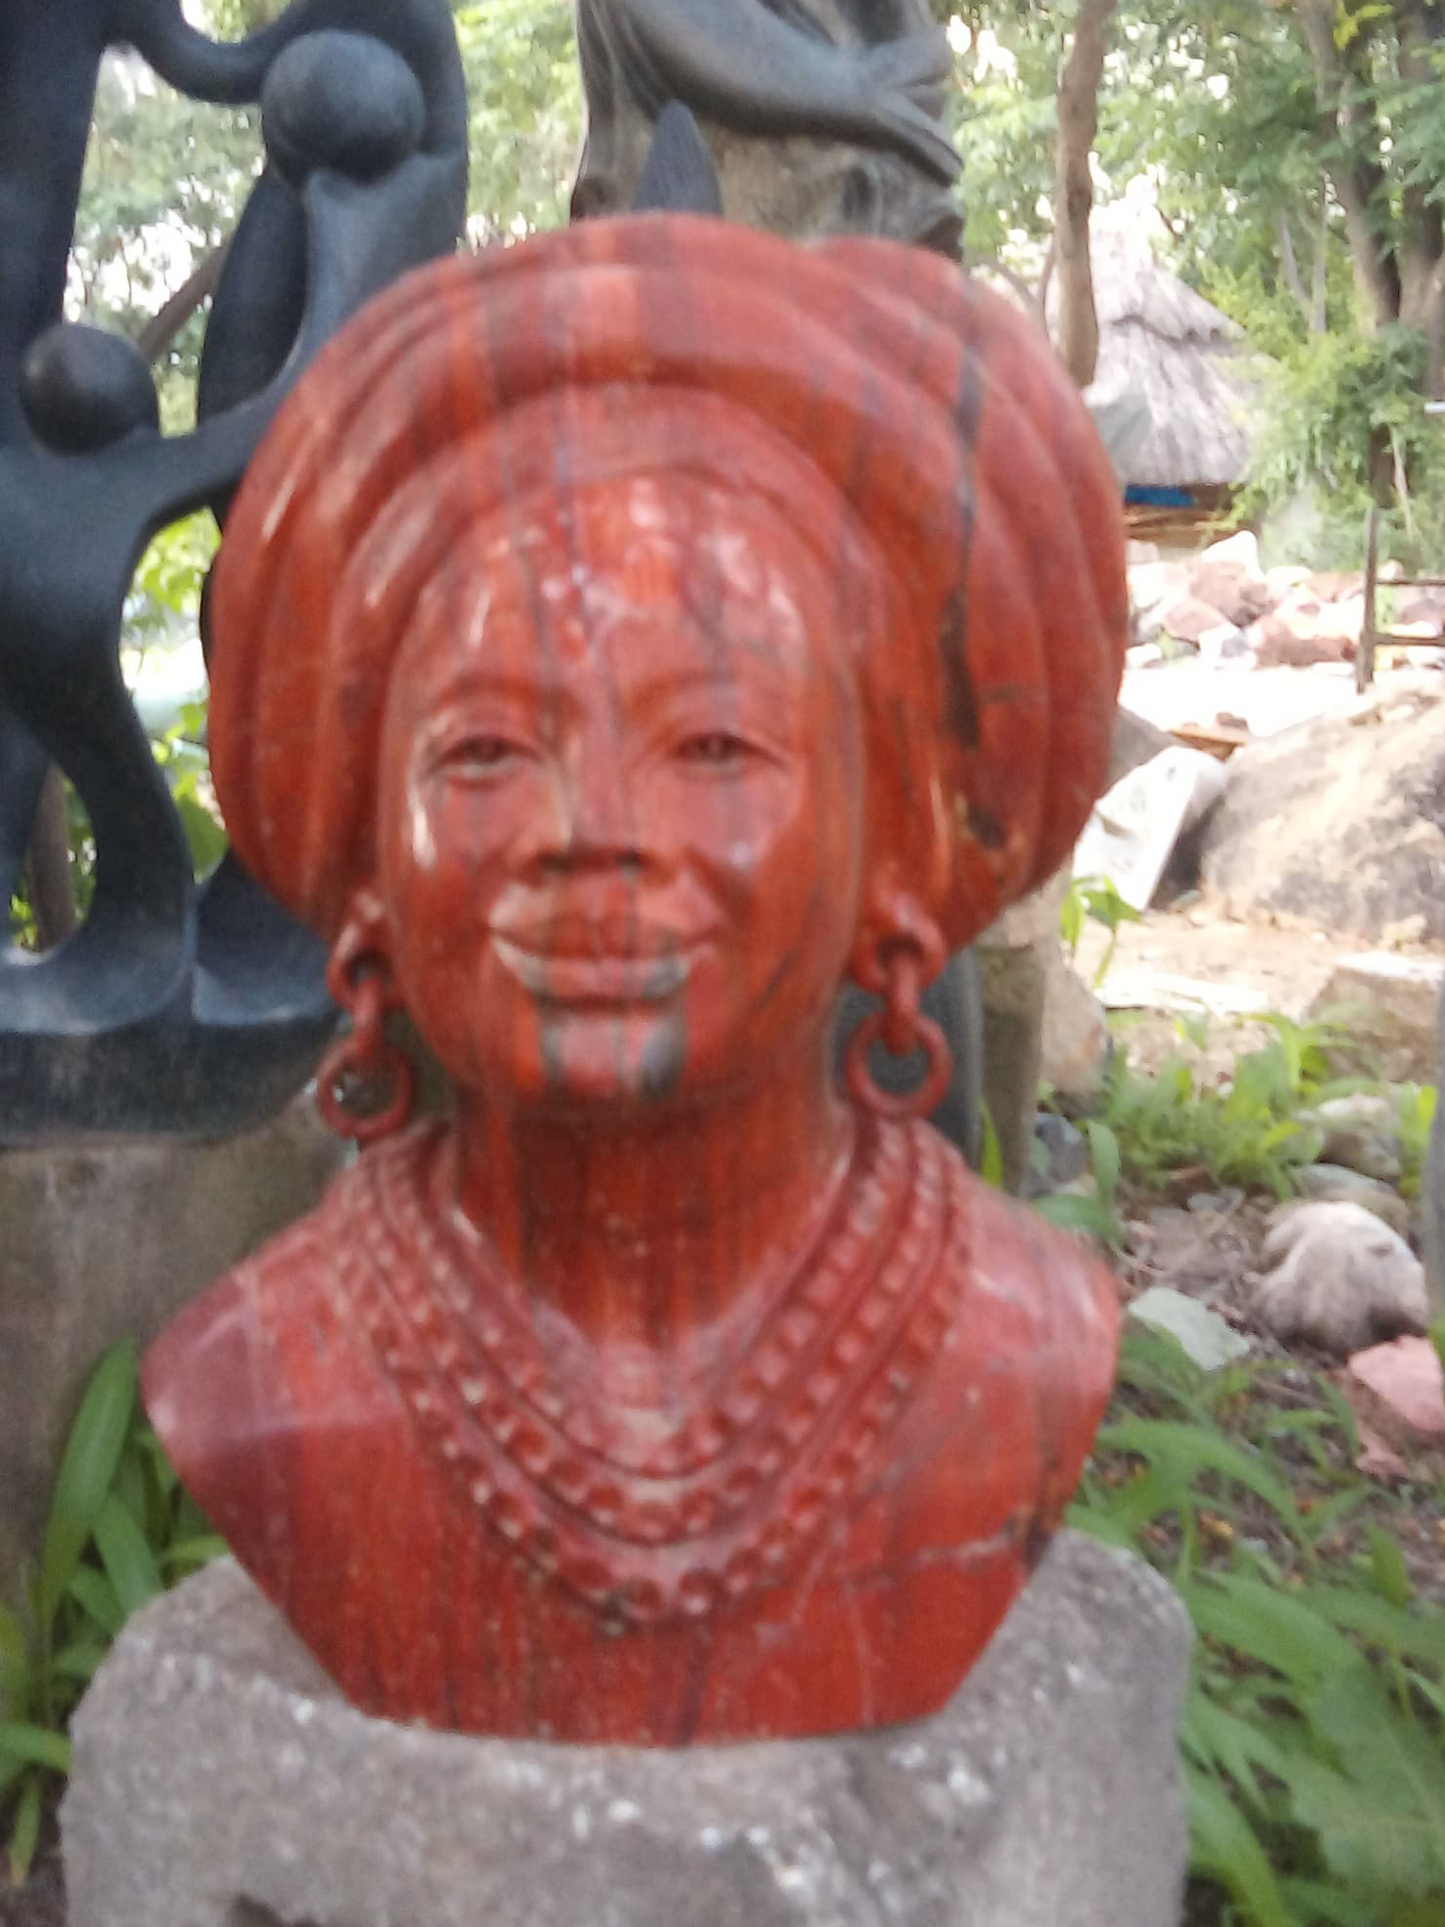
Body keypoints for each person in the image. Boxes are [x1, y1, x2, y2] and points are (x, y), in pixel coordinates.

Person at [144, 214, 1128, 1744]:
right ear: (370, 892)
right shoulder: (258, 1381)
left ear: (896, 855)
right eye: (482, 751)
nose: (589, 833)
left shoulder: (1027, 1341)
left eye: (715, 746)